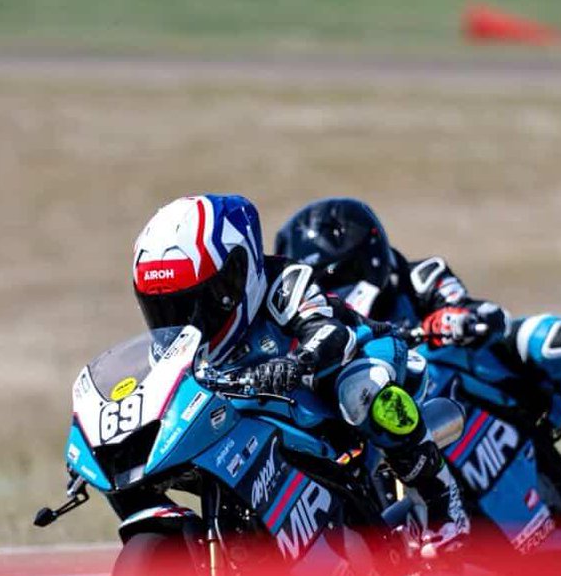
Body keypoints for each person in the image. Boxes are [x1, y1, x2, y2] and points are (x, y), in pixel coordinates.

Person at [131, 194, 469, 555]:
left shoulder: (284, 280)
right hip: (260, 396)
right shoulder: (177, 343)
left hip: (353, 355)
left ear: (236, 276)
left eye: (196, 301)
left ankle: (442, 504)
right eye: (163, 307)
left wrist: (297, 363)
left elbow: (330, 333)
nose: (181, 318)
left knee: (361, 390)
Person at [274, 198, 561, 501]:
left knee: (553, 340)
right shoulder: (326, 326)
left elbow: (477, 312)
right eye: (321, 284)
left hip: (484, 376)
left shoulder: (421, 277)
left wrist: (452, 319)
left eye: (336, 277)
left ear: (367, 258)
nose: (332, 292)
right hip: (389, 403)